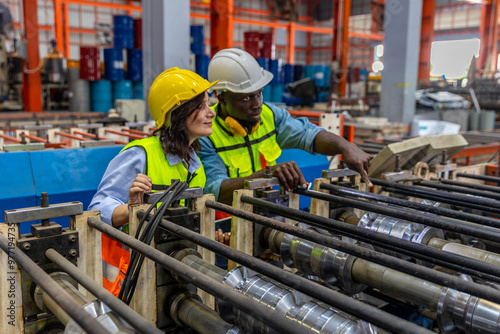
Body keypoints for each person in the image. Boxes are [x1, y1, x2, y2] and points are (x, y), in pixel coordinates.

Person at [88, 67, 217, 295]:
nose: (211, 113)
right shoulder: (140, 155)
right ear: (178, 112)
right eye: (201, 106)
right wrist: (131, 209)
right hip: (137, 276)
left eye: (209, 104)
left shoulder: (194, 162)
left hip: (177, 270)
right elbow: (97, 210)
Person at [198, 48, 373, 213]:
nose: (257, 103)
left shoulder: (270, 116)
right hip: (226, 222)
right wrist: (267, 174)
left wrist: (344, 145)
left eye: (259, 93)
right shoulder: (207, 132)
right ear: (222, 99)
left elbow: (308, 134)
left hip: (263, 209)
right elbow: (216, 190)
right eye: (246, 98)